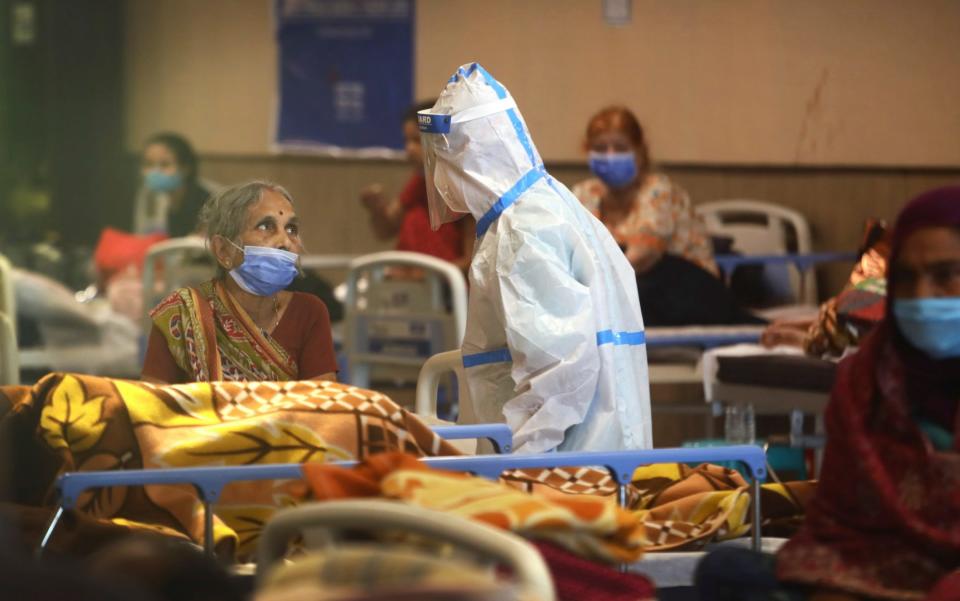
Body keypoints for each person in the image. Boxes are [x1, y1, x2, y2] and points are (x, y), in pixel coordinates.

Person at [697, 186, 960, 601]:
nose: (922, 297)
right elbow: (835, 527)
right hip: (863, 577)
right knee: (726, 569)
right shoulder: (866, 382)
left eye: (946, 275)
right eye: (906, 278)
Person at [417, 63, 652, 453]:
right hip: (589, 453)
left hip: (569, 464)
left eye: (443, 159)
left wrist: (518, 464)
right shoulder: (538, 208)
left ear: (470, 155)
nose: (439, 174)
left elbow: (560, 374)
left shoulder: (524, 231)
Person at [571, 106, 759, 326]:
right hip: (630, 284)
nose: (610, 156)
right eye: (600, 148)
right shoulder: (584, 195)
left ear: (640, 151)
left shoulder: (658, 190)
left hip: (687, 288)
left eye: (620, 148)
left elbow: (641, 258)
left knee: (623, 293)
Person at [142, 180, 337, 383]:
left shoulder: (308, 312)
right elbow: (152, 405)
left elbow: (321, 405)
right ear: (224, 250)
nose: (285, 242)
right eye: (266, 226)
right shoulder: (181, 315)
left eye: (291, 229)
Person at [359, 101, 475, 272]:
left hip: (446, 292)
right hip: (410, 291)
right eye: (407, 141)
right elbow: (385, 231)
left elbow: (472, 261)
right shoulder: (419, 181)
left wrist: (422, 277)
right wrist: (377, 208)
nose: (409, 148)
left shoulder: (464, 187)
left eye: (417, 140)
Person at [133, 132, 216, 237]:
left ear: (185, 168)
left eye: (165, 164)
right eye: (149, 164)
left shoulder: (208, 202)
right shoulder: (154, 198)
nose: (155, 172)